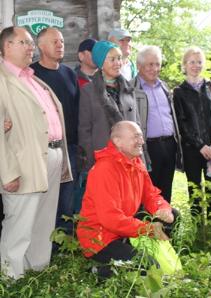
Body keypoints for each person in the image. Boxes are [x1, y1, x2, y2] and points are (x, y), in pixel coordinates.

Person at [0, 26, 71, 279]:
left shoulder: (31, 77)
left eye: (32, 43)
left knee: (43, 220)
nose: (31, 47)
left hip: (50, 156)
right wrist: (7, 172)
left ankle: (36, 271)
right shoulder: (2, 79)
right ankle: (11, 279)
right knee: (19, 223)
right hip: (22, 162)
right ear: (7, 46)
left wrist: (60, 157)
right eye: (25, 42)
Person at [77, 121, 176, 278]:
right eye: (135, 137)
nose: (141, 142)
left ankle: (166, 257)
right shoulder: (104, 170)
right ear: (118, 141)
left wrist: (162, 208)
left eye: (141, 136)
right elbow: (110, 219)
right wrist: (148, 229)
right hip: (100, 239)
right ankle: (97, 273)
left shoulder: (136, 162)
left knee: (173, 216)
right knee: (147, 265)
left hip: (124, 228)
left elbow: (151, 195)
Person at [31, 27, 80, 237]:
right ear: (41, 46)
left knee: (67, 200)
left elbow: (78, 110)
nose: (60, 44)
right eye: (54, 41)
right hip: (43, 148)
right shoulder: (31, 75)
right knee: (44, 199)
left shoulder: (69, 73)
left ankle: (63, 246)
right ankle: (42, 244)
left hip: (70, 147)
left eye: (61, 41)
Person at [173, 47, 211, 217]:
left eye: (199, 62)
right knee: (195, 191)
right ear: (184, 65)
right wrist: (200, 145)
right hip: (193, 151)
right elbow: (181, 124)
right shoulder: (178, 92)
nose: (196, 66)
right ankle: (198, 232)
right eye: (192, 62)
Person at [78, 40, 141, 172]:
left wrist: (142, 155)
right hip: (104, 159)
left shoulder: (128, 88)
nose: (117, 63)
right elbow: (85, 131)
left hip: (131, 157)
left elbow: (137, 123)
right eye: (112, 59)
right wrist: (90, 163)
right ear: (101, 63)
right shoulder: (88, 91)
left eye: (119, 58)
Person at [131, 45, 182, 203]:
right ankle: (150, 227)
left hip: (169, 145)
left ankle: (166, 226)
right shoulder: (131, 89)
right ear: (139, 66)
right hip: (147, 148)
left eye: (157, 64)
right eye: (150, 64)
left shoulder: (164, 87)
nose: (154, 68)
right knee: (148, 193)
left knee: (166, 192)